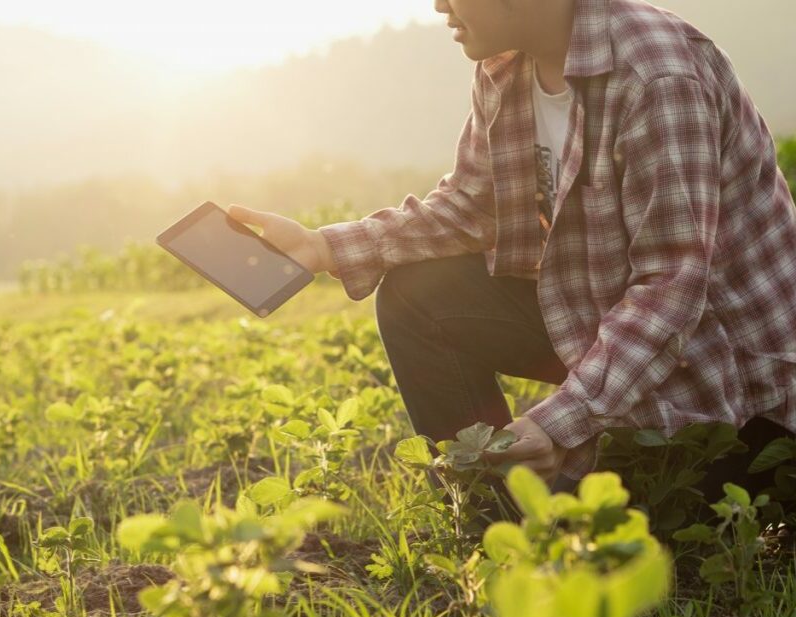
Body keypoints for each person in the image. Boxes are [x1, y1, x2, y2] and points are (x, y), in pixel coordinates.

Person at [227, 0, 796, 501]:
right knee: (419, 294)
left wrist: (561, 424)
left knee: (636, 529)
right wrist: (321, 246)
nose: (438, 6)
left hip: (728, 385)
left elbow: (671, 288)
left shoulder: (656, 75)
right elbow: (476, 204)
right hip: (615, 334)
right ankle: (492, 513)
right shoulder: (505, 65)